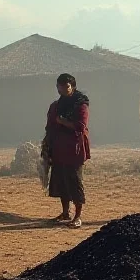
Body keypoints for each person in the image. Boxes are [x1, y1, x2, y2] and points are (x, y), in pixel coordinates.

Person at [44, 73, 90, 228]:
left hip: (74, 149)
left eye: (66, 86)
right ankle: (65, 212)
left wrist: (63, 122)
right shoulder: (55, 106)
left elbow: (80, 126)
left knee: (74, 181)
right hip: (58, 148)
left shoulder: (80, 105)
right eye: (60, 86)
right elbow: (49, 126)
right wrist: (47, 144)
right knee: (60, 181)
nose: (63, 89)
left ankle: (77, 216)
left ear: (73, 87)